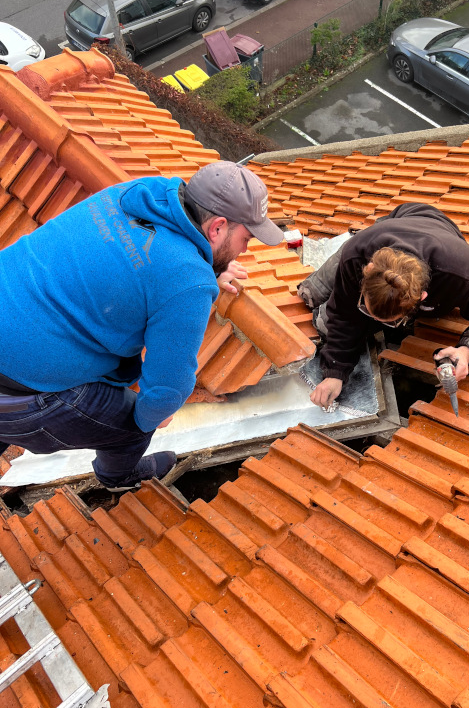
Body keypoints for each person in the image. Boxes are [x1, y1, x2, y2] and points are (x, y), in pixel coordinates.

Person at [0, 161, 283, 491]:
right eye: (246, 239)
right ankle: (119, 476)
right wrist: (153, 417)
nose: (245, 250)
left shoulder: (135, 193)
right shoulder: (188, 281)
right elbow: (167, 390)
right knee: (137, 423)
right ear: (217, 228)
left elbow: (143, 261)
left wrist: (206, 262)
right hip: (21, 392)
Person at [298, 202, 469, 409]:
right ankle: (319, 284)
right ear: (365, 276)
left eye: (392, 320)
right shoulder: (357, 257)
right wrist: (335, 373)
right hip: (385, 228)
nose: (377, 323)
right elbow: (344, 314)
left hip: (432, 223)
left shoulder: (462, 273)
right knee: (316, 299)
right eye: (367, 310)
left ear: (422, 297)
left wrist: (467, 350)